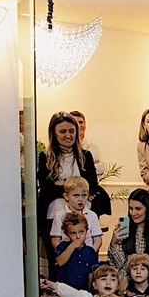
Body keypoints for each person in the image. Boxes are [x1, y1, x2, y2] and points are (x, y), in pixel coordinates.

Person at [36, 111, 100, 272]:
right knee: (58, 265)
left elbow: (91, 185)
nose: (68, 135)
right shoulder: (45, 156)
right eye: (62, 131)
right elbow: (46, 187)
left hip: (83, 216)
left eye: (71, 131)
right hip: (54, 216)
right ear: (54, 133)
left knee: (85, 264)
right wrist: (74, 184)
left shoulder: (85, 156)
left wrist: (61, 183)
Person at [108, 188, 149, 277]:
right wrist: (114, 244)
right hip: (124, 283)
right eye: (130, 208)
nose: (133, 213)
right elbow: (117, 267)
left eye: (138, 209)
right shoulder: (124, 230)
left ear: (148, 209)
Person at [49, 176, 103, 252]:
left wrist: (91, 254)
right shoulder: (60, 216)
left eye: (84, 195)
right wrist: (64, 255)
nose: (80, 199)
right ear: (66, 196)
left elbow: (97, 240)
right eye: (76, 195)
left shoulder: (92, 215)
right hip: (67, 257)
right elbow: (55, 240)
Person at [54, 212, 99, 292]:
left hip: (83, 292)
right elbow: (60, 262)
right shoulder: (62, 246)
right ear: (67, 234)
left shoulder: (90, 251)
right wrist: (72, 246)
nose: (78, 236)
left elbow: (93, 273)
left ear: (87, 231)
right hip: (65, 291)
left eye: (81, 232)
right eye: (73, 233)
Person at [70, 110, 104, 177]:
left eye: (81, 122)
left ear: (85, 124)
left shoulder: (93, 147)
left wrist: (76, 168)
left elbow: (101, 168)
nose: (79, 125)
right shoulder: (65, 146)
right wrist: (91, 166)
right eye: (75, 122)